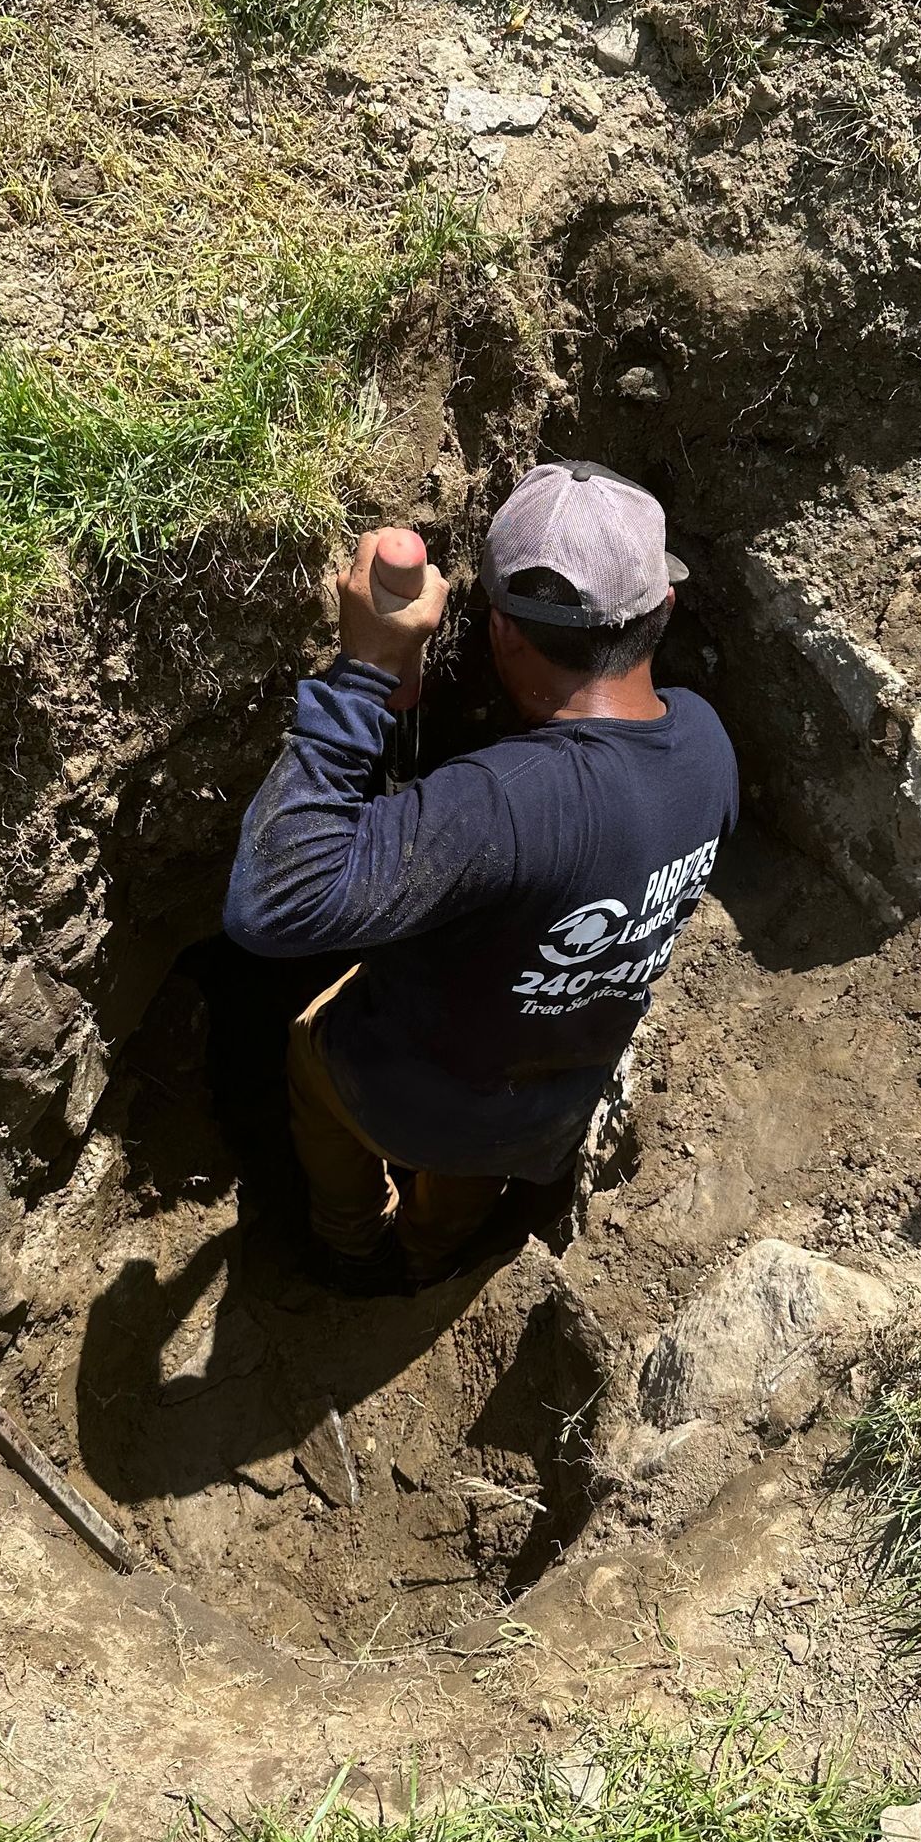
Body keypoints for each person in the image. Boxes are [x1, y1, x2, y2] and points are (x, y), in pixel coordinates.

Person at [222, 460, 738, 1294]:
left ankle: (348, 1245)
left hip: (406, 1096)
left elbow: (272, 902)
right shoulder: (710, 746)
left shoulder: (496, 804)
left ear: (500, 633)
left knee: (309, 1048)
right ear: (664, 609)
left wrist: (362, 675)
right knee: (471, 1170)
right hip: (550, 1105)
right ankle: (432, 1255)